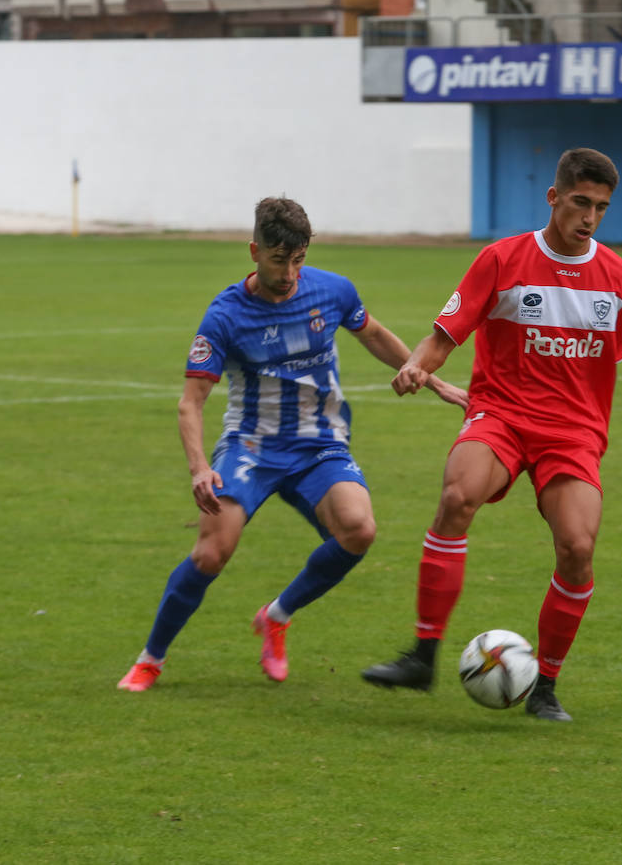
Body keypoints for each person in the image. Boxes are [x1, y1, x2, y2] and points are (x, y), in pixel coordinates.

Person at [118, 196, 466, 692]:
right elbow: (191, 403)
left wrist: (429, 377)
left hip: (318, 445)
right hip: (251, 448)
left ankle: (276, 616)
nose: (289, 272)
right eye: (278, 260)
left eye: (298, 259)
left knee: (359, 530)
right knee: (211, 554)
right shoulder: (224, 316)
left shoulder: (333, 291)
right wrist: (199, 467)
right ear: (255, 251)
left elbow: (374, 335)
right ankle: (151, 659)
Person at [361, 148, 622, 722]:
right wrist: (420, 365)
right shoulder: (501, 259)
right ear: (554, 197)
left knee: (578, 549)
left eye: (601, 208)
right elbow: (445, 334)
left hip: (573, 431)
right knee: (457, 496)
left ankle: (545, 688)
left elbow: (605, 364)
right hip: (502, 414)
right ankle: (422, 655)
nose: (589, 217)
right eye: (580, 203)